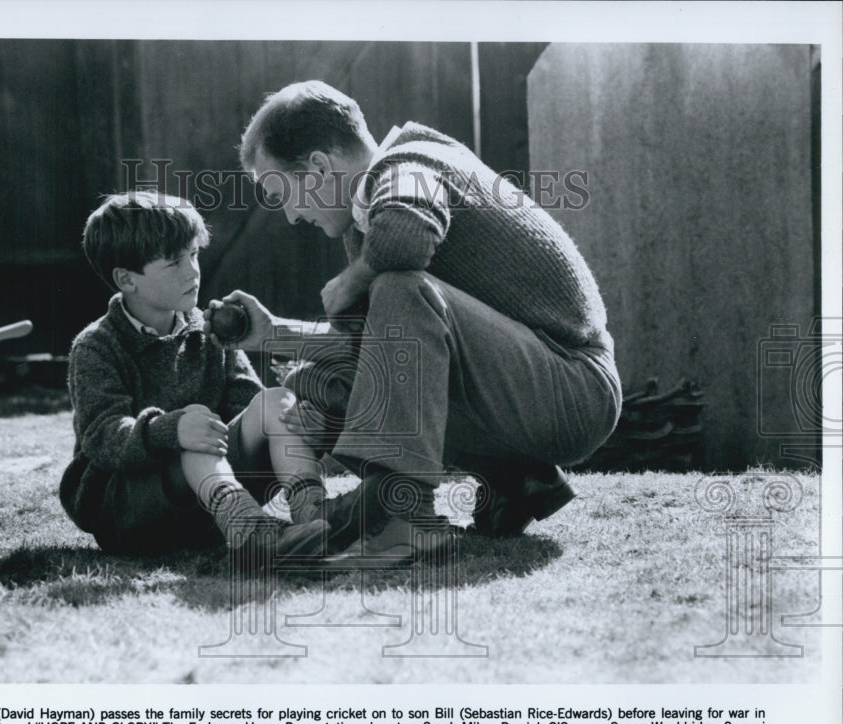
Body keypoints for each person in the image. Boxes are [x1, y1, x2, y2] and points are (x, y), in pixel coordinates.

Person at [205, 80, 623, 564]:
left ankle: (405, 520)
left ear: (319, 167)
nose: (293, 217)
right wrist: (275, 332)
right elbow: (373, 348)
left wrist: (353, 279)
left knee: (400, 284)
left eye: (282, 194)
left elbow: (407, 235)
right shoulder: (371, 212)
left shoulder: (406, 167)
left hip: (573, 387)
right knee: (322, 383)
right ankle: (516, 481)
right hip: (533, 388)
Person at [59, 191, 327, 562]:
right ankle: (252, 536)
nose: (193, 271)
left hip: (210, 498)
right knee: (194, 437)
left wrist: (292, 420)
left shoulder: (207, 328)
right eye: (174, 263)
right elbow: (102, 437)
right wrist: (169, 430)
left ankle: (315, 516)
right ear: (126, 279)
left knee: (274, 401)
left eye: (194, 255)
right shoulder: (97, 346)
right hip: (130, 507)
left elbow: (245, 403)